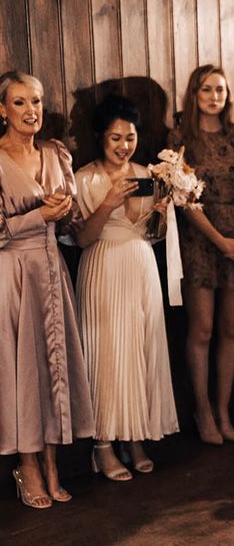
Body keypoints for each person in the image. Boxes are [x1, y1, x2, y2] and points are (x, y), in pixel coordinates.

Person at [0, 70, 94, 508]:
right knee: (23, 370)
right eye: (19, 102)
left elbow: (73, 223)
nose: (30, 111)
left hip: (53, 268)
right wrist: (40, 215)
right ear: (2, 110)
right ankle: (28, 465)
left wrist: (66, 210)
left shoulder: (56, 153)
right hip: (13, 272)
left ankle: (54, 464)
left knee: (55, 365)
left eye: (36, 101)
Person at [75, 95, 179, 480]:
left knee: (142, 348)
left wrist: (162, 216)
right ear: (101, 137)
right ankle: (103, 445)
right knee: (108, 353)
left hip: (141, 265)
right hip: (103, 265)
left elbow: (153, 235)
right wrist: (106, 204)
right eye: (116, 137)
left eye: (130, 137)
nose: (123, 146)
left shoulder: (148, 174)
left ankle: (136, 436)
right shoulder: (84, 178)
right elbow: (82, 238)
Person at [169, 64, 234, 444]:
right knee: (203, 328)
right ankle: (202, 408)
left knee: (232, 327)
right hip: (200, 239)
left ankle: (224, 408)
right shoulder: (181, 137)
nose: (214, 96)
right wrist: (218, 240)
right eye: (207, 90)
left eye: (220, 90)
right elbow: (181, 197)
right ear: (194, 94)